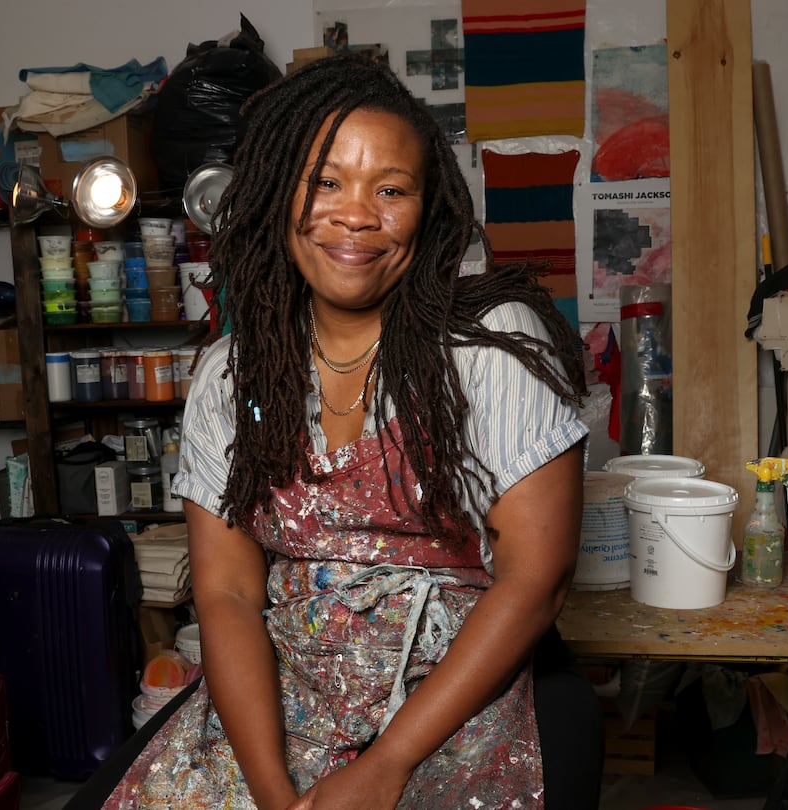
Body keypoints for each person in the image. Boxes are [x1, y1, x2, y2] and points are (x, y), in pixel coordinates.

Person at [84, 54, 598, 809]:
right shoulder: (233, 375)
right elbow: (225, 592)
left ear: (428, 210)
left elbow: (536, 579)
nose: (356, 215)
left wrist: (387, 765)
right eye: (326, 182)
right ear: (274, 194)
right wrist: (270, 789)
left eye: (391, 189)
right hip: (284, 695)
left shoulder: (490, 347)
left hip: (452, 702)